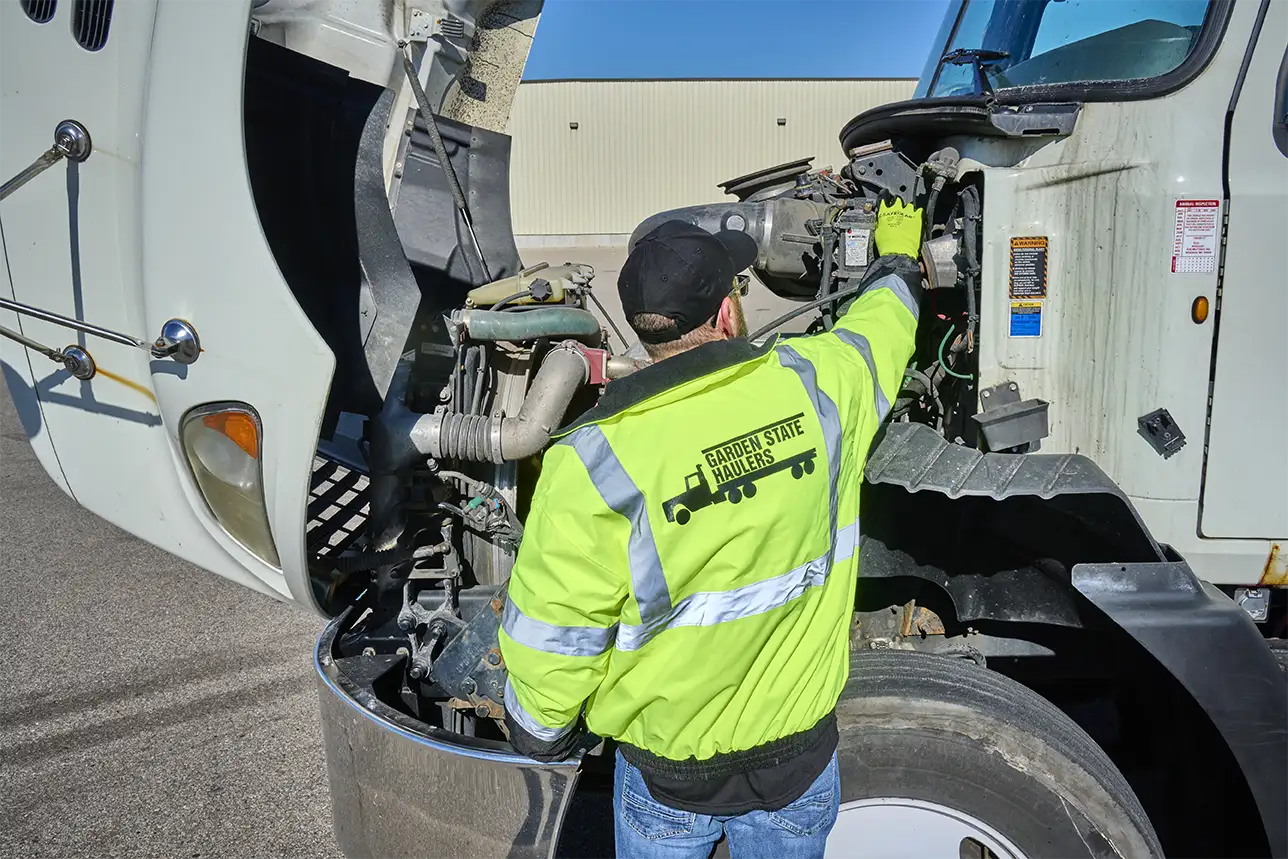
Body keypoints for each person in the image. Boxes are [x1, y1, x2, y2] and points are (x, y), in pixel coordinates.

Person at [498, 200, 925, 858]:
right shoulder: (819, 384)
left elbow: (556, 630)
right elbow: (882, 331)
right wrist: (896, 261)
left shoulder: (591, 460)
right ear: (727, 312)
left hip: (668, 782)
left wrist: (541, 732)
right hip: (798, 765)